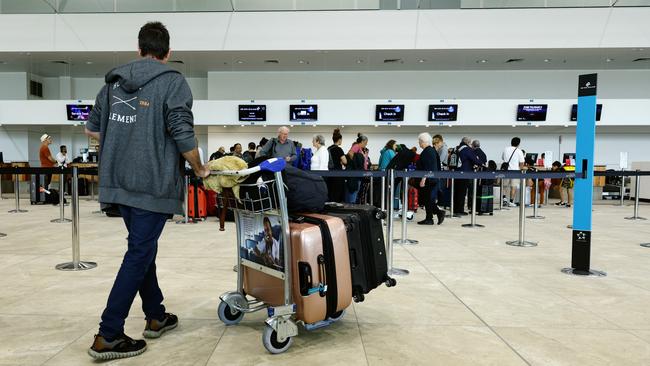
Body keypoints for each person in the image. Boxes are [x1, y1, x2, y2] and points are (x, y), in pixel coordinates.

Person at [84, 21, 209, 360]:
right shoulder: (173, 82)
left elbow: (92, 129)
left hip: (118, 183)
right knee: (139, 253)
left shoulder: (112, 83)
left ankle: (156, 314)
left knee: (143, 248)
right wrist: (199, 167)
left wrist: (124, 138)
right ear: (167, 53)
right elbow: (182, 133)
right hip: (151, 184)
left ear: (139, 49)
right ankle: (109, 333)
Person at [416, 133, 445, 225]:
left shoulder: (428, 151)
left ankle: (435, 214)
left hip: (428, 179)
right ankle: (430, 217)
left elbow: (428, 167)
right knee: (427, 199)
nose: (419, 143)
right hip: (432, 178)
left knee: (427, 199)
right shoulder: (431, 150)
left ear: (423, 142)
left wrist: (423, 179)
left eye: (419, 141)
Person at [454, 137, 486, 216]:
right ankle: (460, 210)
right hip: (465, 173)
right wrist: (481, 164)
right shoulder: (467, 149)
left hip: (456, 172)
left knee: (457, 191)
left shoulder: (456, 148)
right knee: (462, 192)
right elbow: (474, 159)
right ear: (468, 142)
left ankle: (455, 208)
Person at [501, 137, 526, 207]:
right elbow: (522, 163)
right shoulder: (519, 151)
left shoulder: (506, 149)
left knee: (504, 186)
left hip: (506, 171)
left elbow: (503, 158)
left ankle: (504, 199)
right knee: (513, 187)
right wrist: (520, 169)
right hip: (515, 171)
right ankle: (511, 201)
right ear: (518, 143)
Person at [344, 133, 368, 204]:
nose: (366, 145)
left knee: (355, 189)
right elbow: (350, 153)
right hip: (355, 173)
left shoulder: (360, 148)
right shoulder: (357, 146)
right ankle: (351, 204)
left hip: (358, 172)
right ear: (363, 141)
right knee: (354, 189)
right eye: (366, 143)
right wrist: (355, 165)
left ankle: (351, 203)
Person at [327, 129, 347, 202]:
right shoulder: (339, 149)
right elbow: (345, 161)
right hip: (338, 173)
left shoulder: (328, 148)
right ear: (339, 139)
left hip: (329, 172)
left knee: (331, 191)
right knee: (338, 192)